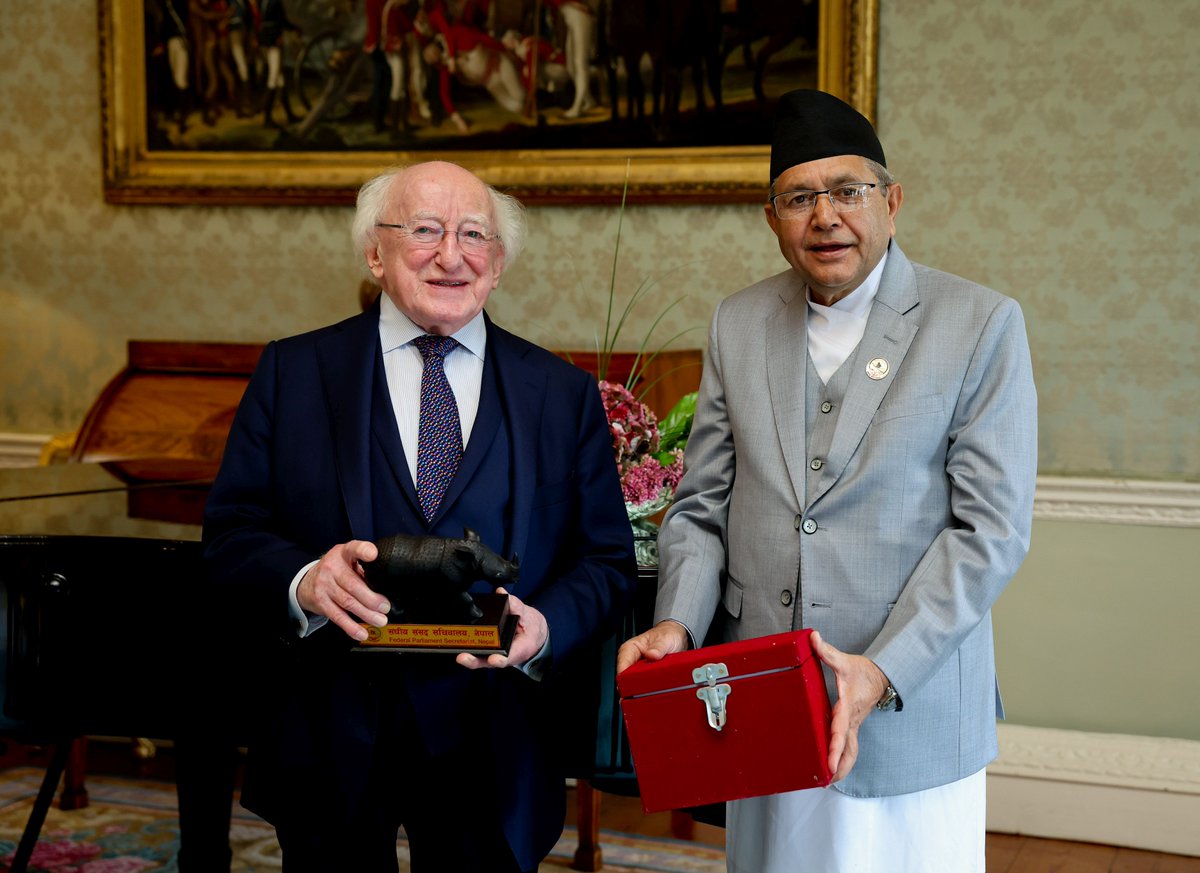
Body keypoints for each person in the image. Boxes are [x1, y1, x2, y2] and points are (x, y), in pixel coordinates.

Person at [616, 89, 1037, 872]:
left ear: (892, 201)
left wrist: (881, 669)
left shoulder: (979, 323)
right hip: (765, 695)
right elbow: (701, 508)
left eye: (847, 191)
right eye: (800, 197)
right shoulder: (736, 323)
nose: (826, 216)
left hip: (911, 703)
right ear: (772, 217)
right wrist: (677, 624)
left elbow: (991, 533)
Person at [203, 160, 636, 873]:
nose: (451, 254)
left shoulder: (561, 394)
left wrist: (545, 624)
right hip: (330, 728)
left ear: (497, 263)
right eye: (426, 230)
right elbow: (230, 534)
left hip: (493, 735)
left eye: (473, 235)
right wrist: (306, 578)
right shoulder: (293, 371)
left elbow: (607, 560)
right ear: (375, 252)